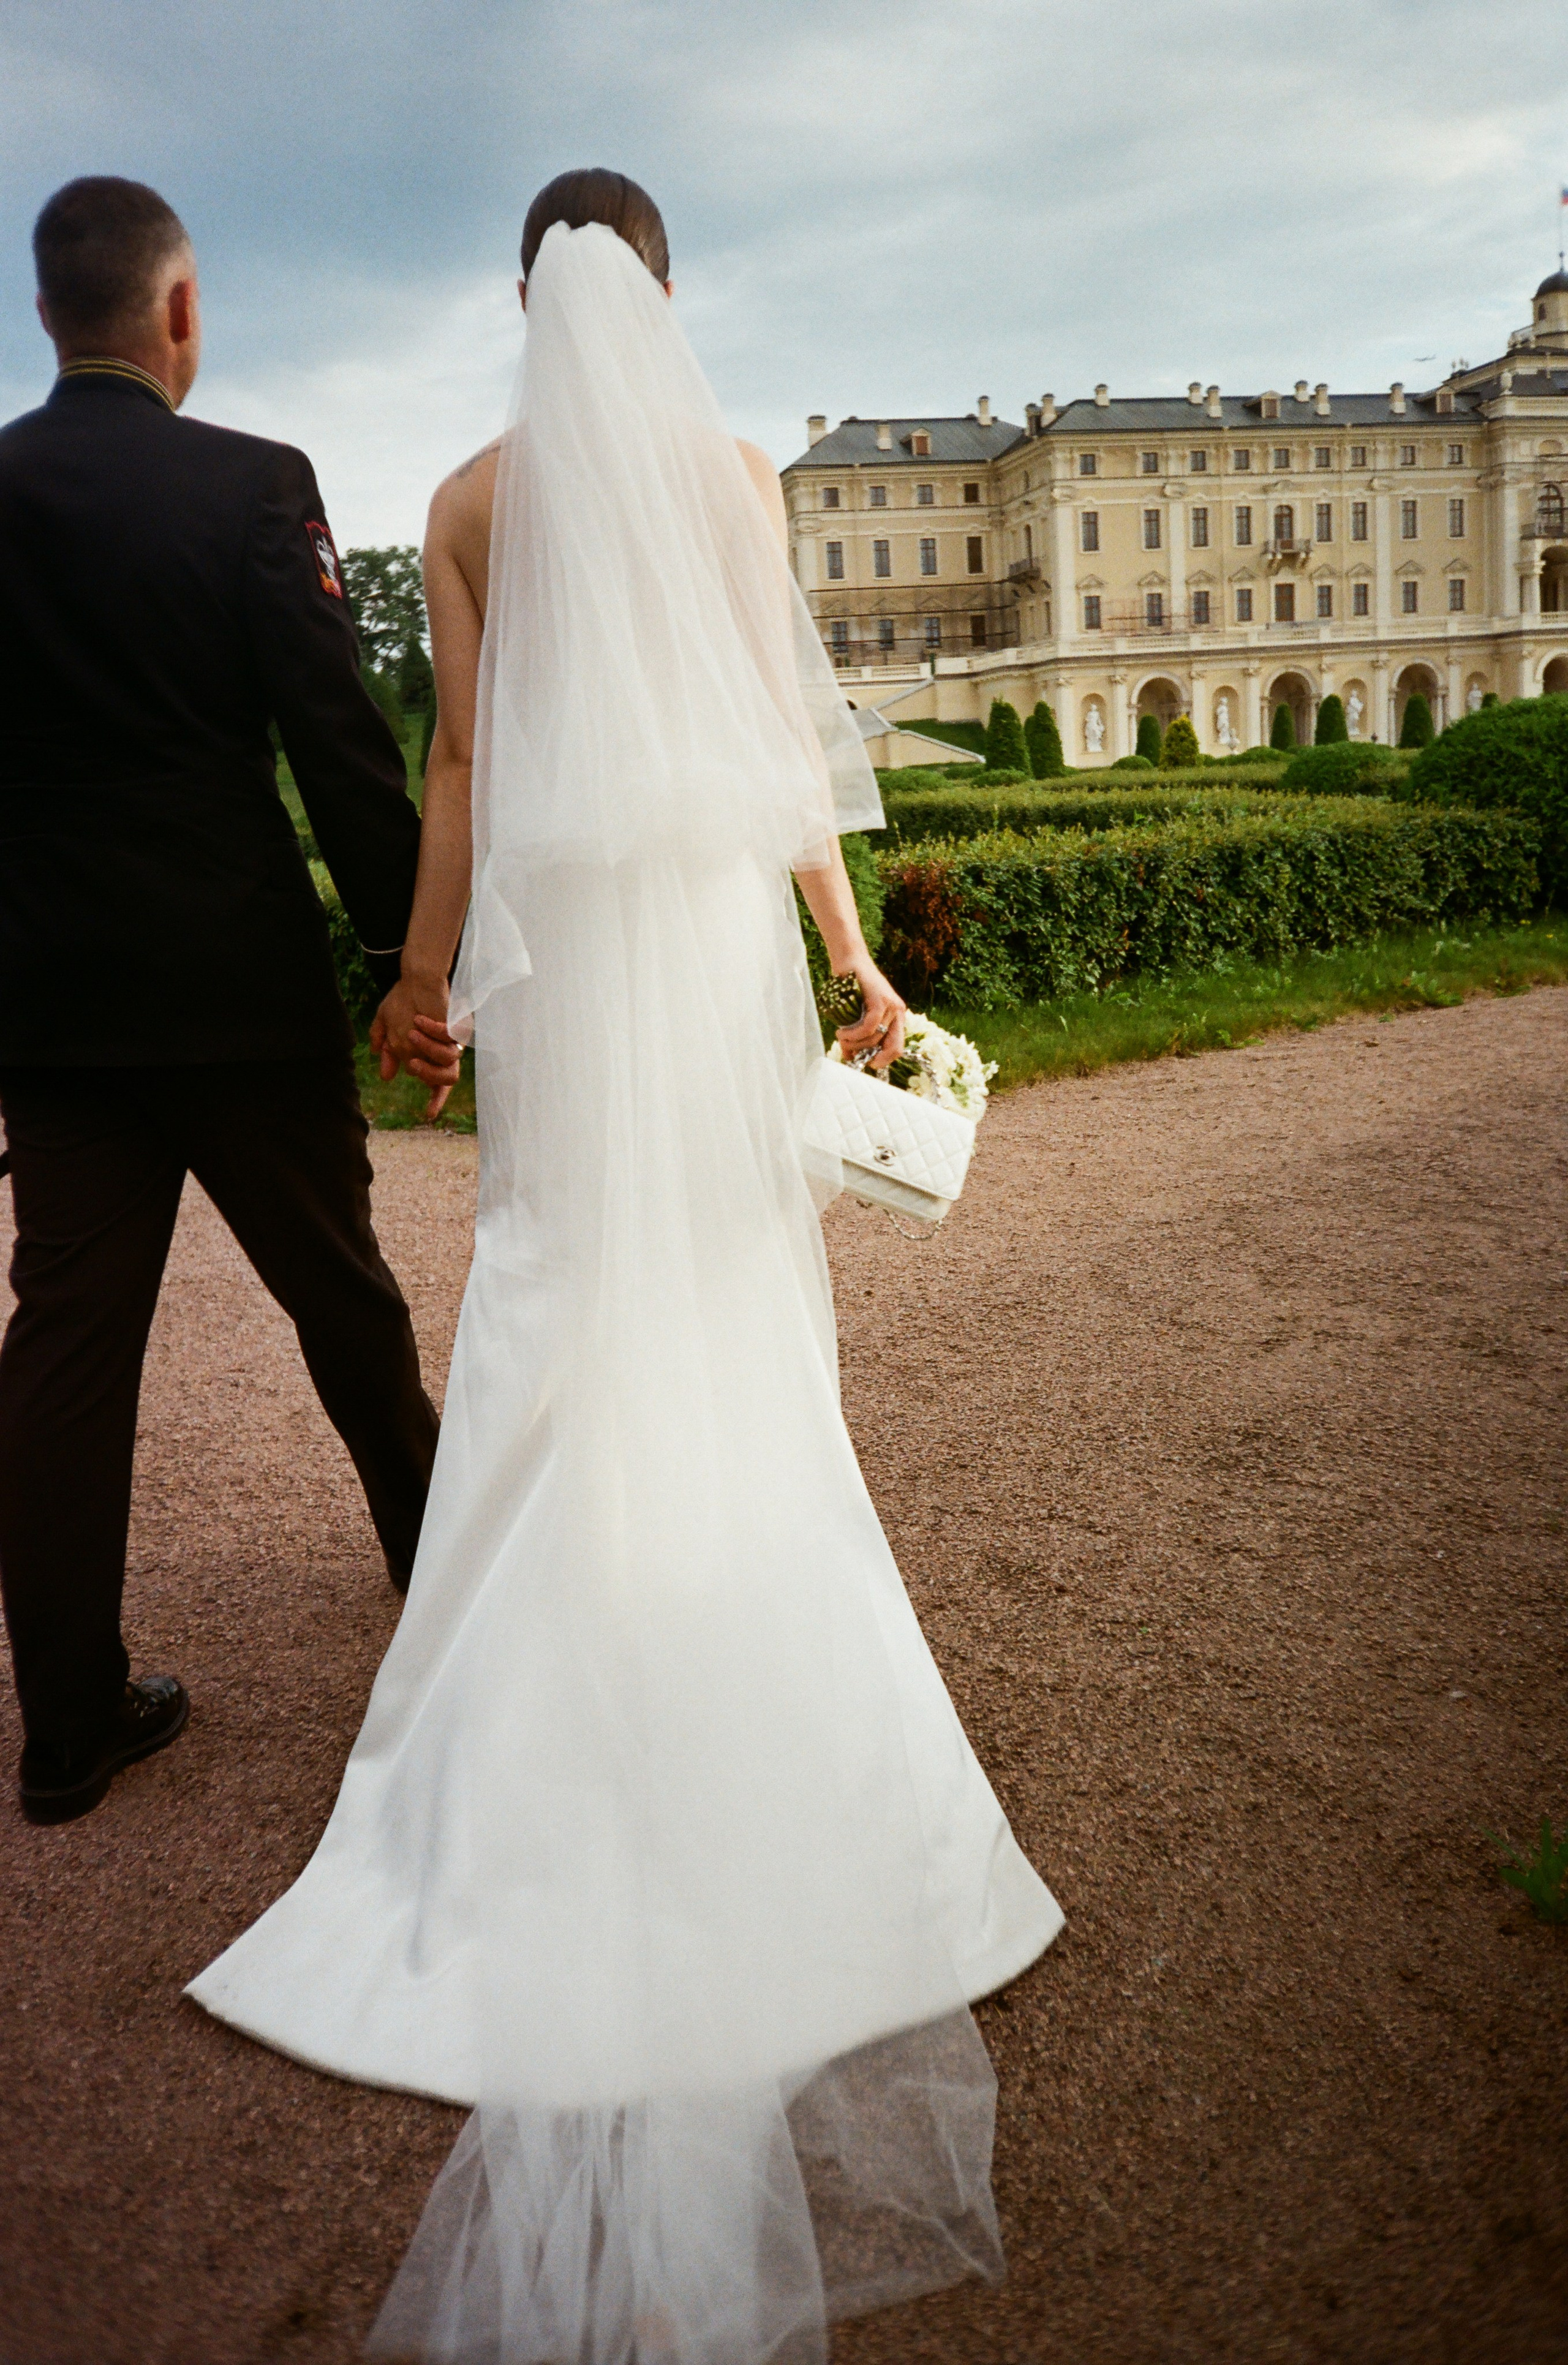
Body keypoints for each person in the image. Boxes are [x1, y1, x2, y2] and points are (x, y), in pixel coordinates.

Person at [189, 171, 1061, 2363]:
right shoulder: (732, 474)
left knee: (558, 1303)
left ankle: (539, 1679)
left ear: (522, 303)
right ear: (662, 302)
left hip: (566, 971)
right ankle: (737, 1633)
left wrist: (427, 992)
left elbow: (461, 762)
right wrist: (851, 963)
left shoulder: (470, 499)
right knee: (736, 1316)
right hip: (696, 952)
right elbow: (781, 747)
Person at [0, 178, 451, 1827]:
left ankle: (65, 1729)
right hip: (241, 989)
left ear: (52, 313)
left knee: (61, 1352)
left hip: (48, 1009)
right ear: (177, 310)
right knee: (344, 1302)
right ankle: (443, 1593)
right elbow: (339, 745)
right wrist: (419, 962)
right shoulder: (259, 486)